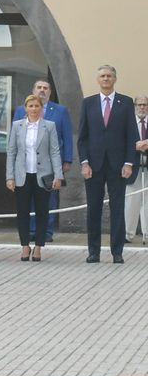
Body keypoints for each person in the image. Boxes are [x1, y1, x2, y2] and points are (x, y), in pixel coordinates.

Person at [78, 64, 137, 264]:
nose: (105, 79)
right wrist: (84, 163)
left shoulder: (126, 103)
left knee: (117, 209)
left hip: (118, 165)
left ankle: (117, 252)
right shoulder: (88, 103)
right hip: (93, 165)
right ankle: (93, 252)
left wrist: (129, 163)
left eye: (109, 76)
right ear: (98, 80)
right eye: (102, 76)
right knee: (93, 209)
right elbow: (83, 137)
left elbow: (132, 136)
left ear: (114, 79)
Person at [12, 79, 72, 242]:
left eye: (45, 88)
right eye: (39, 88)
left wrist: (67, 160)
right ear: (33, 90)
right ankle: (31, 231)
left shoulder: (60, 111)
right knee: (27, 201)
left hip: (50, 165)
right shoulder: (20, 110)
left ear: (50, 92)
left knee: (48, 200)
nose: (42, 90)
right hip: (25, 166)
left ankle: (46, 232)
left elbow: (67, 136)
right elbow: (14, 141)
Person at [5, 93, 63, 262]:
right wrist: (10, 176)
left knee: (42, 212)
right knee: (22, 212)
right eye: (30, 106)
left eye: (37, 106)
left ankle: (38, 246)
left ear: (41, 108)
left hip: (42, 175)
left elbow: (54, 151)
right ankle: (24, 246)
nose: (34, 109)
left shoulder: (49, 126)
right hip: (22, 175)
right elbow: (11, 152)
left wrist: (58, 175)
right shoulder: (17, 126)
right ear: (25, 108)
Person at [130, 96, 148, 242]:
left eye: (144, 105)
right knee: (131, 201)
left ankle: (146, 232)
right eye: (139, 105)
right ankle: (128, 234)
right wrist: (134, 146)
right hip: (133, 167)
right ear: (135, 106)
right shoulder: (129, 123)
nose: (142, 107)